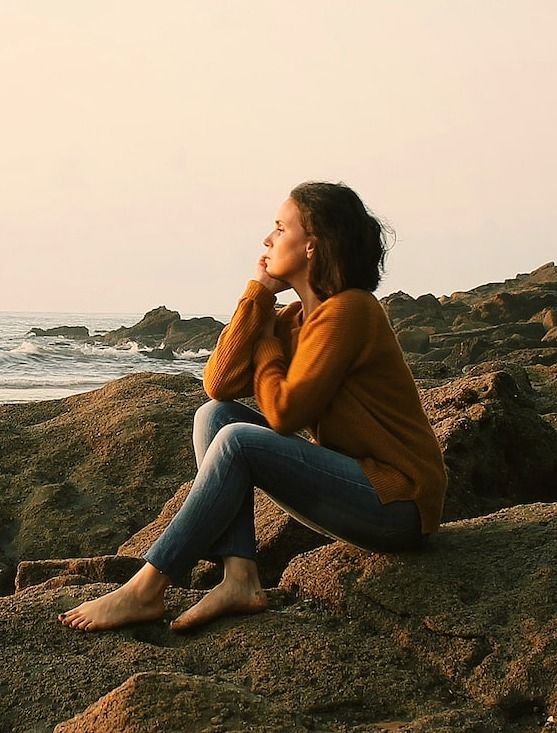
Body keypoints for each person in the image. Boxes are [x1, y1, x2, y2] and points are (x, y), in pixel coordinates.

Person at [58, 181, 447, 633]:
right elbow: (218, 385)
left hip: (398, 504)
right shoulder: (293, 320)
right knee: (215, 417)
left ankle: (148, 587)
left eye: (281, 228)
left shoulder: (352, 311)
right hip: (356, 483)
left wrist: (264, 344)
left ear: (312, 247)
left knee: (238, 440)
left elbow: (284, 414)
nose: (267, 240)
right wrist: (259, 295)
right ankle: (240, 575)